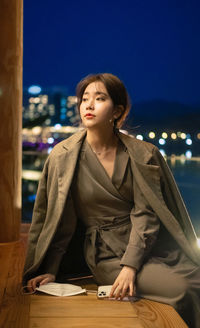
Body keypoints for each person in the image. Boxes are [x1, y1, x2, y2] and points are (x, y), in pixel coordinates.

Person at [23, 73, 200, 327]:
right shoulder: (64, 157)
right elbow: (58, 219)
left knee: (197, 279)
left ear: (117, 111)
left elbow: (146, 213)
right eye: (85, 99)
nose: (89, 105)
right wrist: (51, 268)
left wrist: (132, 265)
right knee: (183, 288)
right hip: (106, 255)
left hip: (148, 245)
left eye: (99, 98)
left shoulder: (141, 153)